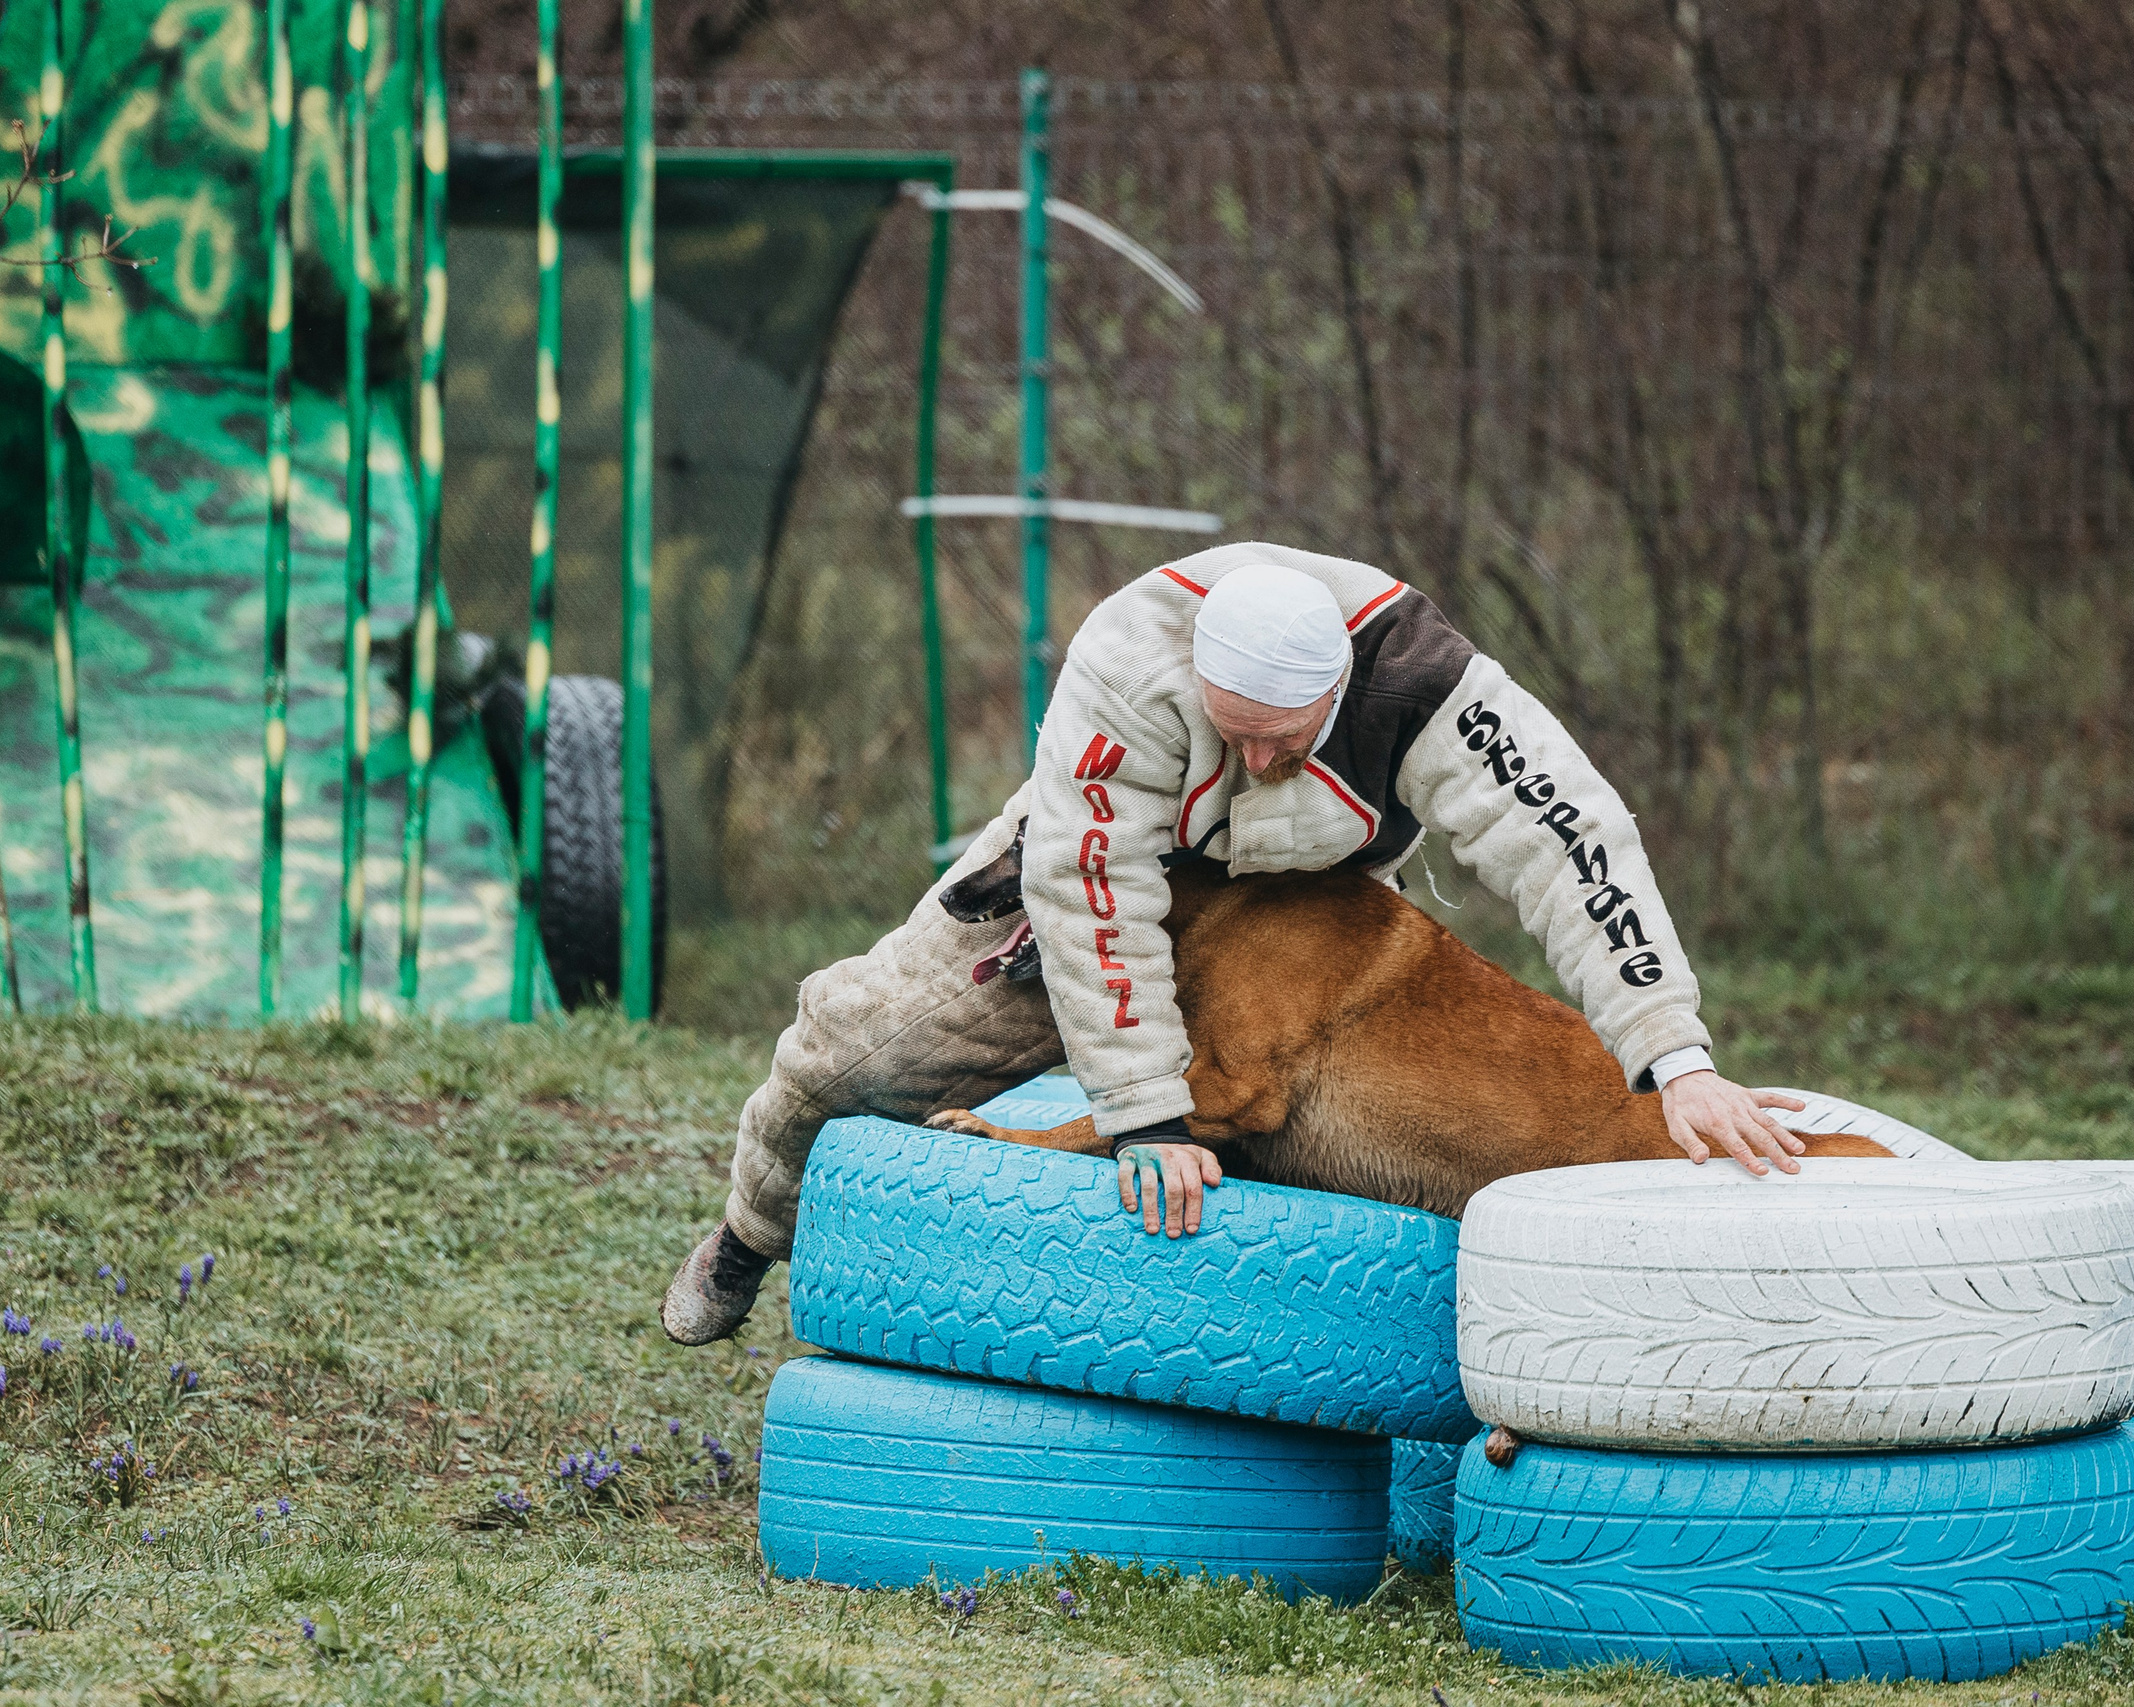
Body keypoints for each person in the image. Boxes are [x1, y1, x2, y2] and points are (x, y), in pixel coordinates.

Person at [661, 542, 1808, 1344]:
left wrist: (1673, 1054)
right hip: (1094, 877)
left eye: (1284, 740)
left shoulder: (1428, 684)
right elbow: (1087, 885)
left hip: (1297, 904)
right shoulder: (1128, 665)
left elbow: (1571, 842)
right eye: (1234, 735)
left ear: (1339, 690)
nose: (1256, 760)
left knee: (1261, 1081)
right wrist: (1145, 1117)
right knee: (845, 1054)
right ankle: (748, 1240)